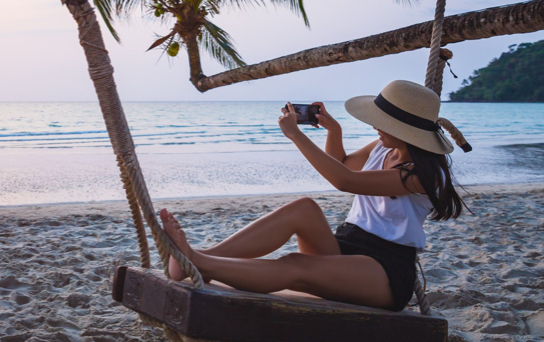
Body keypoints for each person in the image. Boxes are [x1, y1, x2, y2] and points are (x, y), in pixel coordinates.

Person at [161, 79, 468, 311]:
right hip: (347, 245)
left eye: (384, 123)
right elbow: (344, 165)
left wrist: (296, 135)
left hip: (384, 270)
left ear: (407, 131)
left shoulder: (423, 176)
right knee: (303, 208)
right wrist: (334, 133)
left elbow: (344, 180)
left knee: (296, 266)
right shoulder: (382, 148)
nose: (376, 126)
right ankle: (207, 255)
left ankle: (198, 262)